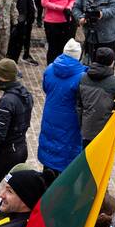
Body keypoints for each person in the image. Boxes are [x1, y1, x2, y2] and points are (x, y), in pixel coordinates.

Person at [0, 58, 33, 216]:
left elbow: (0, 134)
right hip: (21, 149)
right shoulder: (26, 94)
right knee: (15, 192)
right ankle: (14, 221)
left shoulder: (7, 102)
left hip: (6, 154)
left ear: (2, 78)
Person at [38, 39, 86, 183]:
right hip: (70, 123)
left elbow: (46, 88)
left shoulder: (50, 69)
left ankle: (46, 184)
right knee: (66, 159)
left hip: (50, 117)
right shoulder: (82, 76)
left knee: (49, 152)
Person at [76, 46, 115, 148]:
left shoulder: (83, 78)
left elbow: (79, 105)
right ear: (112, 62)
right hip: (106, 132)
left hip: (87, 130)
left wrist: (81, 124)